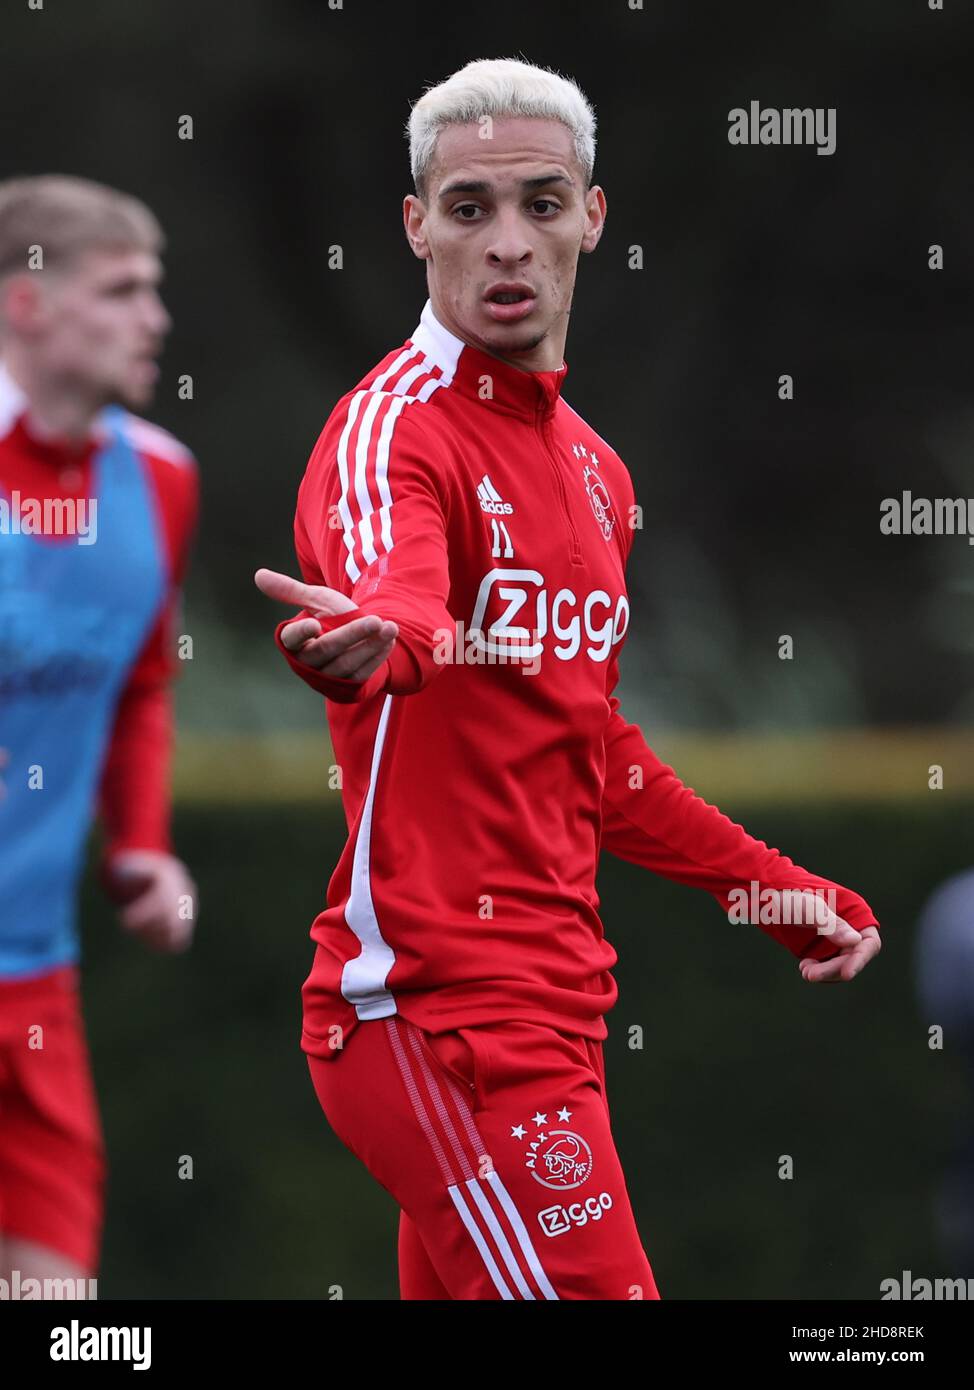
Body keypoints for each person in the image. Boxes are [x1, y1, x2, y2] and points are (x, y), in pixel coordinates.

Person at [256, 57, 881, 1301]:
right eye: (468, 206)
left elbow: (589, 750)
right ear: (414, 226)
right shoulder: (393, 428)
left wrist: (777, 891)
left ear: (592, 219)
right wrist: (390, 639)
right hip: (437, 1021)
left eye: (541, 204)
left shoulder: (597, 473)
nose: (506, 241)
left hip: (556, 1013)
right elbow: (404, 591)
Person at [0, 175, 198, 1291]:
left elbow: (140, 686)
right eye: (122, 290)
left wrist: (141, 843)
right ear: (28, 304)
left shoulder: (161, 479)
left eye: (154, 290)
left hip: (37, 978)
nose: (153, 318)